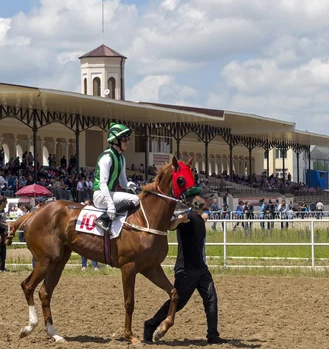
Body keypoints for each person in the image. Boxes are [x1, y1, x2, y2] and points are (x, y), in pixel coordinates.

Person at [143, 191, 229, 345]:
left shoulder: (198, 217)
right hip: (186, 270)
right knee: (178, 303)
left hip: (201, 268)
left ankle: (213, 335)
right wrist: (178, 221)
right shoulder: (186, 217)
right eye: (205, 197)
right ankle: (150, 325)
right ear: (196, 199)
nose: (209, 200)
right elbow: (169, 226)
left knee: (211, 299)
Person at [93, 122, 140, 231]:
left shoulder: (121, 158)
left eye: (128, 139)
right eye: (124, 139)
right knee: (135, 199)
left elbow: (123, 182)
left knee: (137, 197)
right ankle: (104, 219)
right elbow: (103, 184)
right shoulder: (107, 157)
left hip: (109, 194)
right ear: (115, 141)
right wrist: (110, 205)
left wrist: (129, 185)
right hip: (100, 195)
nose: (127, 142)